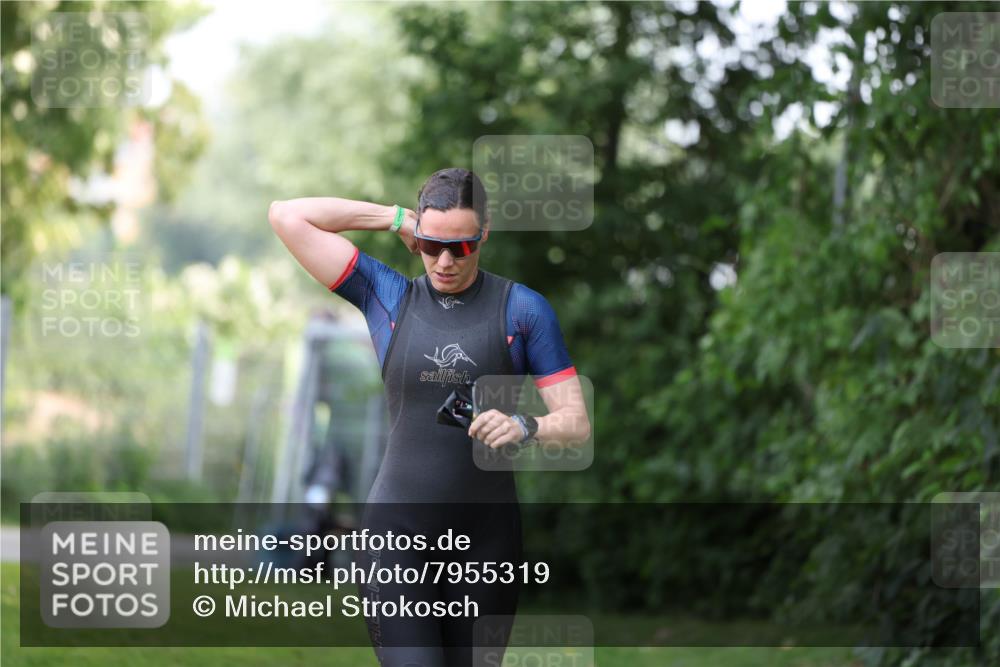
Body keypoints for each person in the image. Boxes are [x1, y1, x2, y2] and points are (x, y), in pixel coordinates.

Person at [269, 168, 590, 666]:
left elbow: (575, 422)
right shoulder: (388, 297)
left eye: (459, 247)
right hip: (396, 535)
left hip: (486, 544)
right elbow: (286, 216)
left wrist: (525, 425)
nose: (444, 261)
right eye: (431, 245)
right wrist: (393, 217)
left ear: (484, 234)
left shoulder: (523, 311)